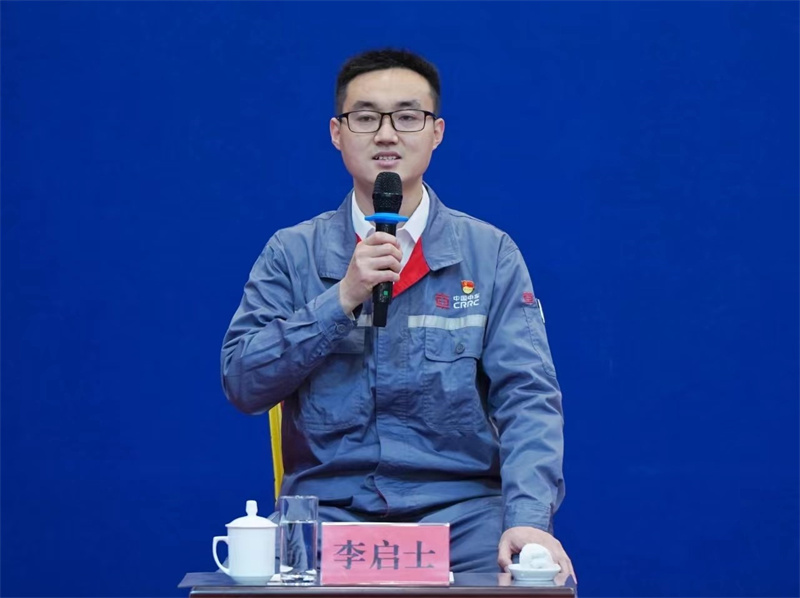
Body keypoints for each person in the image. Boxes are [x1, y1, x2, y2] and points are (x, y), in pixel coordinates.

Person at [220, 48, 574, 579]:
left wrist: (529, 521)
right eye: (366, 118)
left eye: (408, 117)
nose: (386, 135)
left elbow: (528, 397)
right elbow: (243, 383)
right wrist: (341, 298)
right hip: (328, 517)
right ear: (337, 133)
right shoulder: (291, 254)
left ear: (436, 133)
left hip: (463, 520)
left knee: (533, 575)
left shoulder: (489, 254)